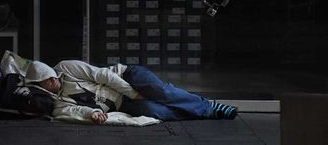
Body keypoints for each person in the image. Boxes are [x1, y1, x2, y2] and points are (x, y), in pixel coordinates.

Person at [25, 60, 237, 124]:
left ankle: (208, 107)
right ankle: (203, 110)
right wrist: (91, 114)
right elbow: (70, 112)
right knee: (156, 111)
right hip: (121, 103)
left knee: (161, 92)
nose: (49, 84)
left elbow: (103, 76)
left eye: (47, 79)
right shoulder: (59, 101)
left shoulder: (66, 68)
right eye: (44, 84)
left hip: (126, 77)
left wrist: (132, 92)